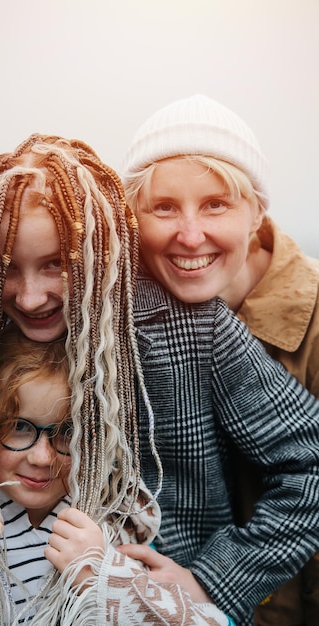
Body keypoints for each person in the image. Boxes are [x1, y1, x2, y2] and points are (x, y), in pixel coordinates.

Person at [0, 133, 319, 625]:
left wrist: (212, 581)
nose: (32, 297)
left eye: (57, 264)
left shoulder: (188, 327)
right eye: (8, 268)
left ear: (97, 249)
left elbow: (308, 467)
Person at [120, 93, 319, 626]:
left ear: (257, 212)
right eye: (163, 207)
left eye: (216, 205)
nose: (190, 235)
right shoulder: (129, 309)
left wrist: (213, 579)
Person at [0, 322, 230, 625]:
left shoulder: (114, 521)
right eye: (18, 426)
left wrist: (100, 577)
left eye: (66, 431)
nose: (43, 457)